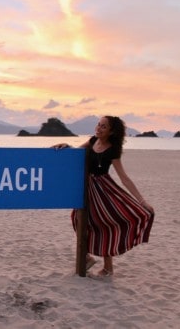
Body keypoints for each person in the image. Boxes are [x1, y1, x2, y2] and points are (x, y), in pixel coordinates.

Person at [53, 116, 154, 277]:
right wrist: (67, 146)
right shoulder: (93, 141)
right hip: (87, 186)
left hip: (103, 189)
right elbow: (77, 152)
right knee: (77, 218)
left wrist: (142, 202)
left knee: (105, 224)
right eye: (98, 125)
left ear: (111, 131)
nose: (99, 128)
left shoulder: (113, 149)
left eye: (103, 127)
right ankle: (86, 257)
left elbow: (124, 178)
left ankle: (108, 268)